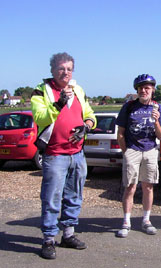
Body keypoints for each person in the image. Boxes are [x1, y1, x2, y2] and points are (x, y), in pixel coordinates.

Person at [31, 52, 96, 259]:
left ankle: (68, 234)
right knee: (51, 198)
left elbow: (89, 114)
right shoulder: (41, 91)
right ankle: (48, 239)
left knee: (74, 196)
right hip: (55, 154)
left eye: (69, 69)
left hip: (77, 154)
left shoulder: (78, 90)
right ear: (52, 70)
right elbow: (40, 117)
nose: (65, 72)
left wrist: (86, 127)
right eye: (61, 68)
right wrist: (59, 103)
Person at [116, 74, 161, 238]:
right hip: (133, 150)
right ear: (137, 90)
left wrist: (157, 121)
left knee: (148, 187)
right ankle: (126, 221)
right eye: (141, 88)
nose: (144, 91)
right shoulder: (129, 107)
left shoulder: (158, 108)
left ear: (153, 90)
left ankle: (146, 220)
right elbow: (120, 133)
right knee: (130, 187)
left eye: (147, 88)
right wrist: (127, 152)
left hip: (150, 150)